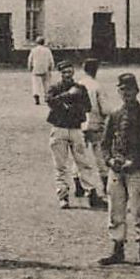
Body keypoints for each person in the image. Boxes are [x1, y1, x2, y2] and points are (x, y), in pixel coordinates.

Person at [99, 72, 140, 267]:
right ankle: (117, 249)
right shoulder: (114, 116)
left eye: (130, 90)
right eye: (123, 90)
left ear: (137, 91)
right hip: (116, 170)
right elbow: (105, 144)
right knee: (115, 209)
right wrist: (109, 161)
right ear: (118, 92)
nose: (127, 94)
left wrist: (135, 161)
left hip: (136, 169)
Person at [46, 61, 104, 209]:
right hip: (59, 128)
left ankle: (91, 193)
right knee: (60, 165)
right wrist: (67, 96)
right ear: (60, 73)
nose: (67, 75)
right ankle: (63, 196)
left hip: (76, 129)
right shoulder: (55, 88)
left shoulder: (80, 88)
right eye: (64, 72)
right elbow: (50, 101)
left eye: (70, 72)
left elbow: (87, 107)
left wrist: (71, 107)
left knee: (83, 163)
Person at [77, 58, 110, 192]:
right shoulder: (97, 86)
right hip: (95, 124)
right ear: (96, 70)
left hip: (79, 124)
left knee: (79, 155)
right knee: (100, 155)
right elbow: (105, 109)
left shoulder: (77, 84)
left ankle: (79, 186)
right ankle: (106, 185)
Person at [26, 38, 55, 105]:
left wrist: (30, 67)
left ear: (37, 42)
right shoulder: (47, 50)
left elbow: (30, 60)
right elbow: (51, 60)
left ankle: (36, 95)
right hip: (45, 68)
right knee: (47, 83)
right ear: (43, 43)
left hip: (36, 68)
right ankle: (47, 96)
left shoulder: (33, 50)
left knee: (36, 83)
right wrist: (51, 67)